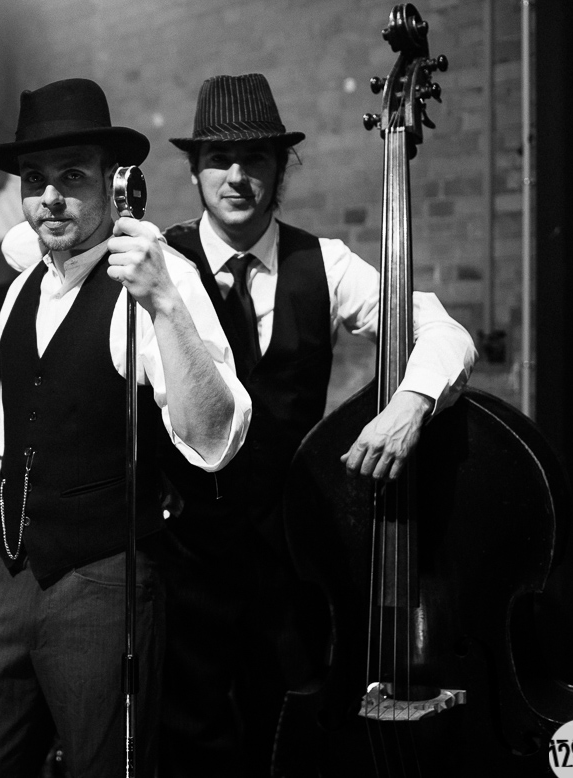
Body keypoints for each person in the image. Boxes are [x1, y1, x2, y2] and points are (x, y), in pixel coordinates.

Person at [156, 74, 478, 776]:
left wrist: (411, 402)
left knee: (288, 742)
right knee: (188, 748)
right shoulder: (162, 261)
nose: (237, 177)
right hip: (183, 561)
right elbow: (30, 251)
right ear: (193, 170)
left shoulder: (323, 263)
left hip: (291, 563)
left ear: (281, 168)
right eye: (218, 159)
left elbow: (443, 331)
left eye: (256, 159)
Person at [0, 77, 252, 778]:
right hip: (6, 574)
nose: (50, 198)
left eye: (72, 177)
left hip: (102, 583)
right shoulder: (19, 291)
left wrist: (165, 303)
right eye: (35, 180)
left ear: (115, 183)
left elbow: (214, 440)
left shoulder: (157, 281)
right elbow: (9, 448)